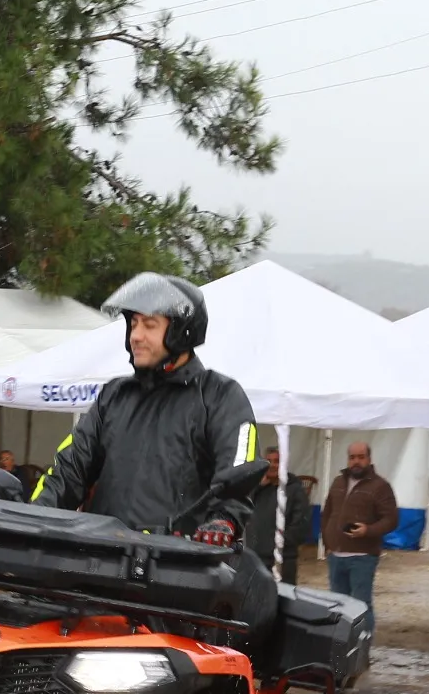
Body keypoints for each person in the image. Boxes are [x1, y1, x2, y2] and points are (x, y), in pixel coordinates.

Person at [32, 272, 275, 637]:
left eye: (149, 324)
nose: (135, 335)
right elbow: (67, 470)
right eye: (132, 323)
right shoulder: (114, 396)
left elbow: (239, 472)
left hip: (176, 587)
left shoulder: (220, 396)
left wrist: (222, 521)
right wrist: (30, 519)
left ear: (181, 331)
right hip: (99, 576)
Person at [318, 440, 398, 614]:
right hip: (336, 556)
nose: (356, 461)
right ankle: (341, 641)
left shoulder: (380, 486)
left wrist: (368, 530)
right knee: (337, 606)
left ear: (369, 459)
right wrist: (327, 543)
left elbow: (391, 519)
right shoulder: (338, 482)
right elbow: (327, 513)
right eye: (352, 457)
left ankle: (363, 640)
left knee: (361, 605)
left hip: (362, 557)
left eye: (361, 457)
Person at [246, 444, 310, 586]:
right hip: (257, 558)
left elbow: (300, 527)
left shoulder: (295, 490)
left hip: (282, 560)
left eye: (277, 461)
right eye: (269, 461)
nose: (272, 465)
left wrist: (275, 543)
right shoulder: (258, 489)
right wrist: (258, 487)